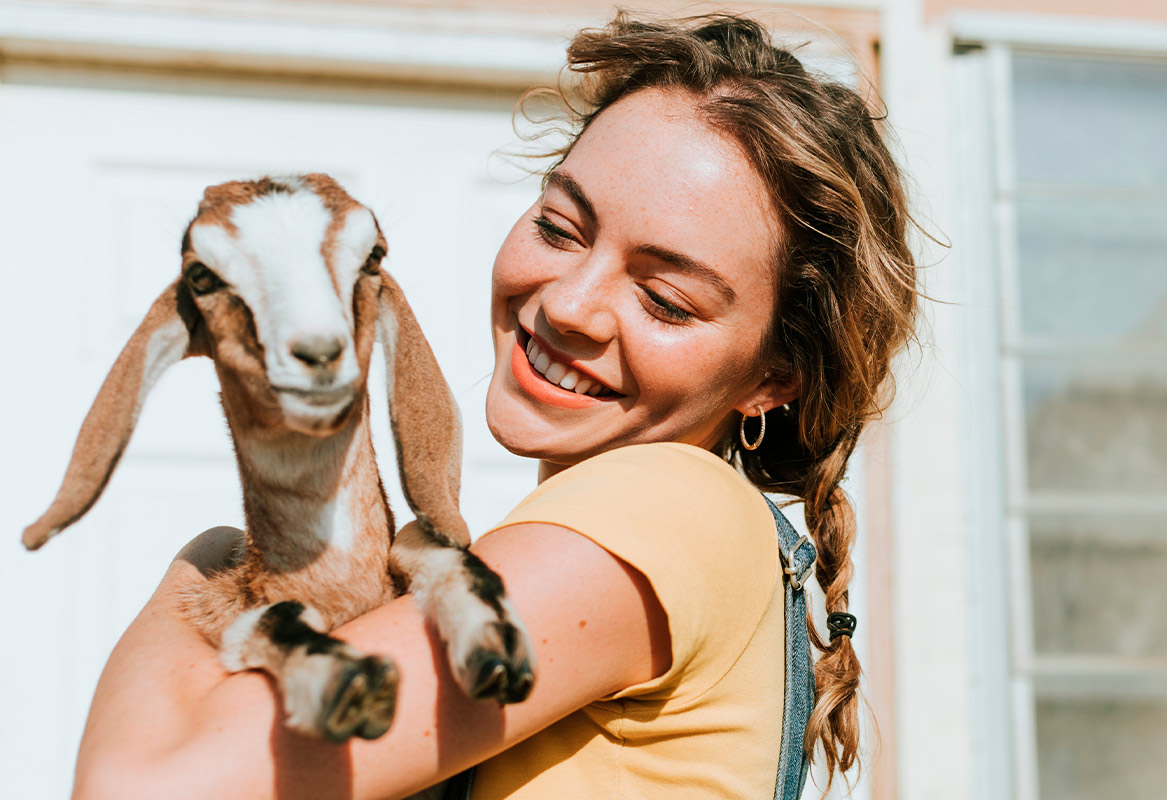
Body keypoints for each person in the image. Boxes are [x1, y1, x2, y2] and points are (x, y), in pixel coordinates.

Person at [71, 11, 920, 800]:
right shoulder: (665, 545)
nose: (568, 306)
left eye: (663, 298)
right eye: (559, 227)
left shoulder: (671, 506)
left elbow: (145, 784)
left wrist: (208, 567)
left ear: (776, 378)